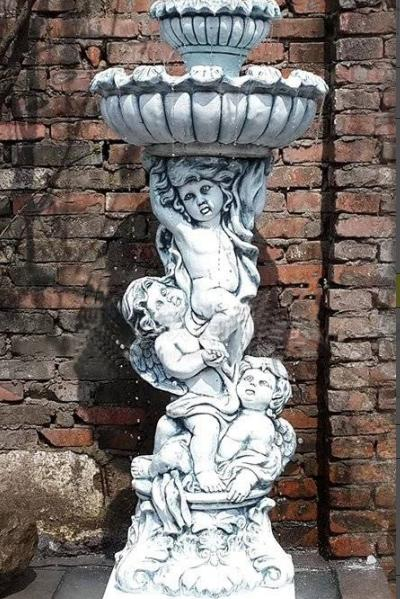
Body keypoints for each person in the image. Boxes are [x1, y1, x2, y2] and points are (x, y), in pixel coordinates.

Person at [122, 276, 239, 493]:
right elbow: (176, 366)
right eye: (159, 303)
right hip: (195, 403)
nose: (168, 298)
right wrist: (203, 358)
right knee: (207, 427)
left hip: (220, 399)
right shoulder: (165, 341)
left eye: (165, 292)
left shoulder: (195, 326)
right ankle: (204, 471)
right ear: (150, 323)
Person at [148, 156, 264, 364]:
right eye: (189, 197)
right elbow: (160, 209)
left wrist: (262, 170)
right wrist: (156, 170)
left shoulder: (232, 227)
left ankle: (227, 374)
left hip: (229, 298)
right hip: (206, 296)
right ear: (181, 205)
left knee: (241, 334)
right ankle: (210, 338)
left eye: (205, 189)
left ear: (222, 188)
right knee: (232, 310)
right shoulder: (187, 232)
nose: (200, 200)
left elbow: (253, 206)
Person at [217, 356, 296, 503]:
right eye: (248, 378)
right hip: (216, 472)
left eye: (263, 383)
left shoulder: (262, 425)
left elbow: (260, 460)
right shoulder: (229, 413)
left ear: (276, 395)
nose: (253, 384)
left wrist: (245, 480)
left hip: (232, 479)